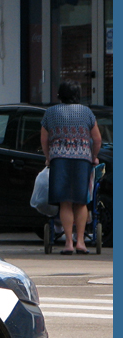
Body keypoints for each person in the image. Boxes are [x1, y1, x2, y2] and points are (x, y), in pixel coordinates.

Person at [41, 80, 101, 254]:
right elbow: (97, 139)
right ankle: (81, 242)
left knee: (65, 202)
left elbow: (44, 139)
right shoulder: (86, 112)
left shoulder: (50, 113)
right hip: (82, 159)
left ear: (60, 94)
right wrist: (93, 156)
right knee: (81, 201)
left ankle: (68, 243)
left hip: (59, 159)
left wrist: (48, 157)